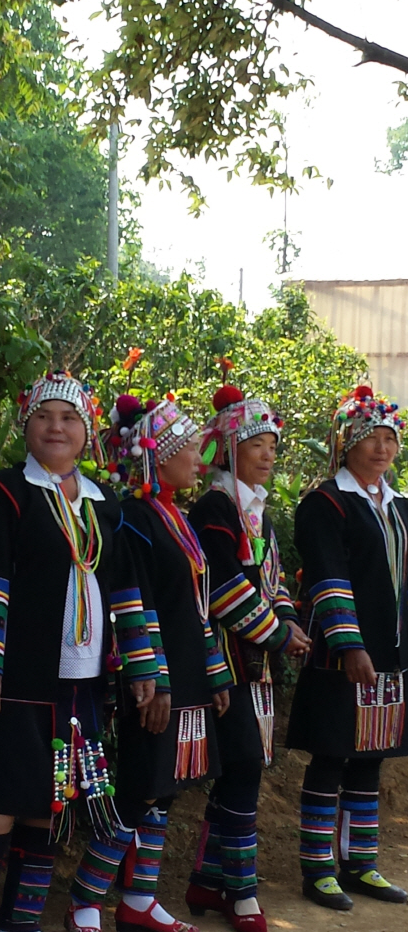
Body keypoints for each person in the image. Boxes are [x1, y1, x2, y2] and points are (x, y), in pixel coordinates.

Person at [0, 372, 159, 932]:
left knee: (50, 811)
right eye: (44, 416)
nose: (56, 428)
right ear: (27, 426)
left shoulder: (103, 504)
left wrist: (142, 665)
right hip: (17, 675)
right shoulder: (3, 493)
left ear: (87, 433)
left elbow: (125, 588)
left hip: (81, 685)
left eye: (69, 419)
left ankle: (21, 923)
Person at [67, 393, 233, 932]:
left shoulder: (174, 516)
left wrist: (215, 673)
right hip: (156, 680)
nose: (198, 459)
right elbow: (131, 600)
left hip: (187, 676)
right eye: (188, 448)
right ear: (158, 457)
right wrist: (151, 678)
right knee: (140, 786)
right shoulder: (135, 518)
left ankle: (139, 900)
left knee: (164, 790)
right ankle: (85, 898)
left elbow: (197, 606)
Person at [183, 365, 309, 932]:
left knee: (242, 769)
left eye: (270, 446)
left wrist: (286, 614)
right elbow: (224, 589)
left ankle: (207, 884)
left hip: (253, 665)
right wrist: (279, 633)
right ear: (228, 449)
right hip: (226, 662)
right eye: (254, 445)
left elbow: (273, 578)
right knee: (242, 773)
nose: (265, 455)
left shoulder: (255, 510)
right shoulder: (214, 507)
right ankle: (242, 893)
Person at [286, 384, 408, 910]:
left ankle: (361, 864)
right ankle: (318, 869)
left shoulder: (401, 506)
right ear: (345, 443)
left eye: (390, 439)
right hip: (344, 654)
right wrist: (350, 644)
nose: (382, 448)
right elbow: (328, 577)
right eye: (370, 438)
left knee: (371, 758)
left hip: (394, 655)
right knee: (332, 755)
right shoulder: (324, 502)